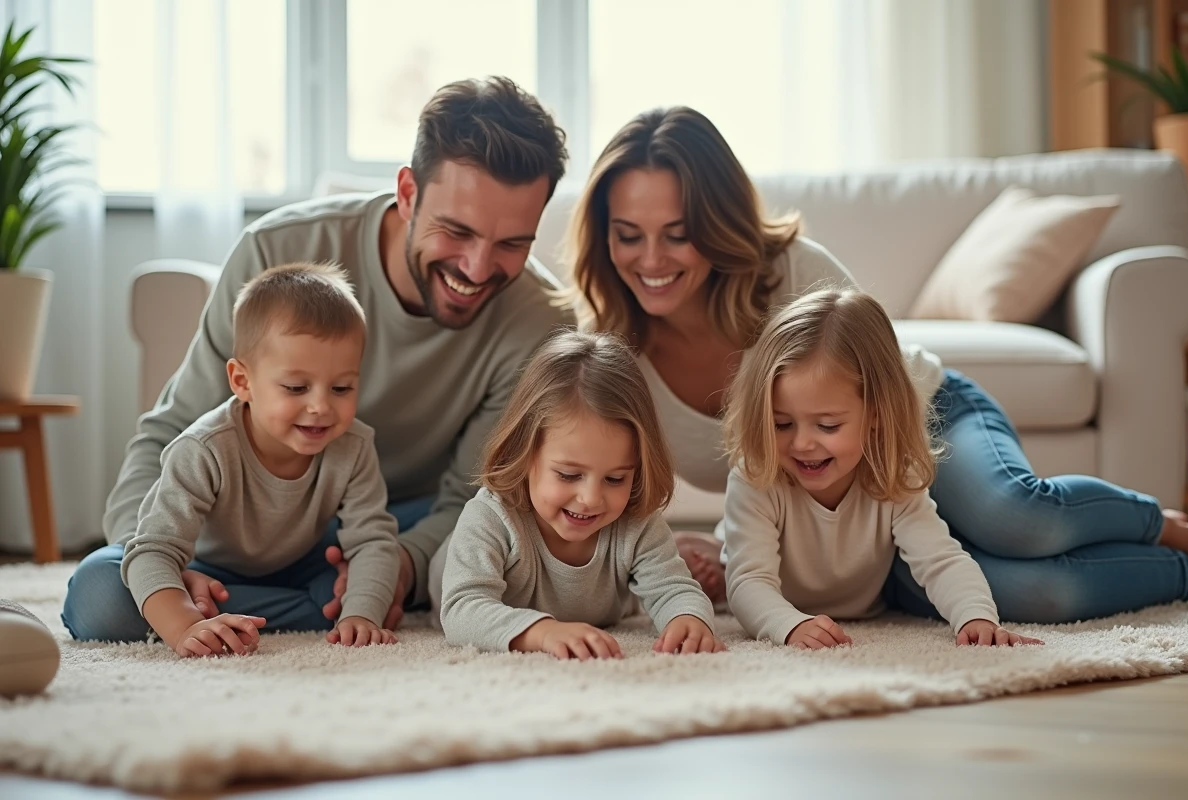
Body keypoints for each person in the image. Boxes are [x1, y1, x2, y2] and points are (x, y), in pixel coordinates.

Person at [566, 105, 1188, 622]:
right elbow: (613, 482)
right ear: (604, 234)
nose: (651, 259)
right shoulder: (611, 351)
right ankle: (1183, 575)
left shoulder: (789, 271)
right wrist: (677, 556)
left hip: (917, 418)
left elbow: (882, 380)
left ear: (719, 222)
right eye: (628, 234)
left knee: (1015, 518)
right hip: (846, 531)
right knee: (1040, 595)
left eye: (677, 232)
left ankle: (1156, 523)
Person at [63, 76, 572, 642]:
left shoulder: (539, 323)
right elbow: (172, 433)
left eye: (511, 244)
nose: (477, 268)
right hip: (242, 526)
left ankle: (329, 603)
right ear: (408, 193)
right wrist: (165, 575)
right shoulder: (276, 251)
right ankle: (260, 604)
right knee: (107, 597)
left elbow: (472, 497)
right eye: (456, 230)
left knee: (500, 552)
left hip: (395, 525)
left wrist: (396, 568)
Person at [65, 264, 403, 654]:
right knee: (99, 590)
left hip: (298, 568)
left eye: (342, 387)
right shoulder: (204, 448)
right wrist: (185, 626)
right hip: (201, 570)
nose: (320, 406)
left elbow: (372, 541)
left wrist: (360, 614)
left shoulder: (354, 446)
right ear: (242, 381)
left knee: (353, 587)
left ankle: (240, 616)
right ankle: (215, 615)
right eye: (296, 387)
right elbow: (154, 549)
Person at [722, 288, 1045, 646]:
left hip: (883, 595)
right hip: (819, 601)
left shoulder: (891, 473)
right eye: (782, 423)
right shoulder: (755, 478)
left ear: (875, 413)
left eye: (827, 426)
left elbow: (940, 559)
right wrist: (788, 624)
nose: (801, 444)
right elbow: (748, 582)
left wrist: (976, 616)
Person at [436, 329, 724, 659]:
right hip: (445, 569)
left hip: (598, 594)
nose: (590, 498)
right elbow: (461, 610)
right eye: (569, 475)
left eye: (615, 478)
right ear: (526, 453)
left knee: (666, 572)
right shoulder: (490, 516)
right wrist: (542, 632)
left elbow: (675, 589)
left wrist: (688, 618)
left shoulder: (636, 522)